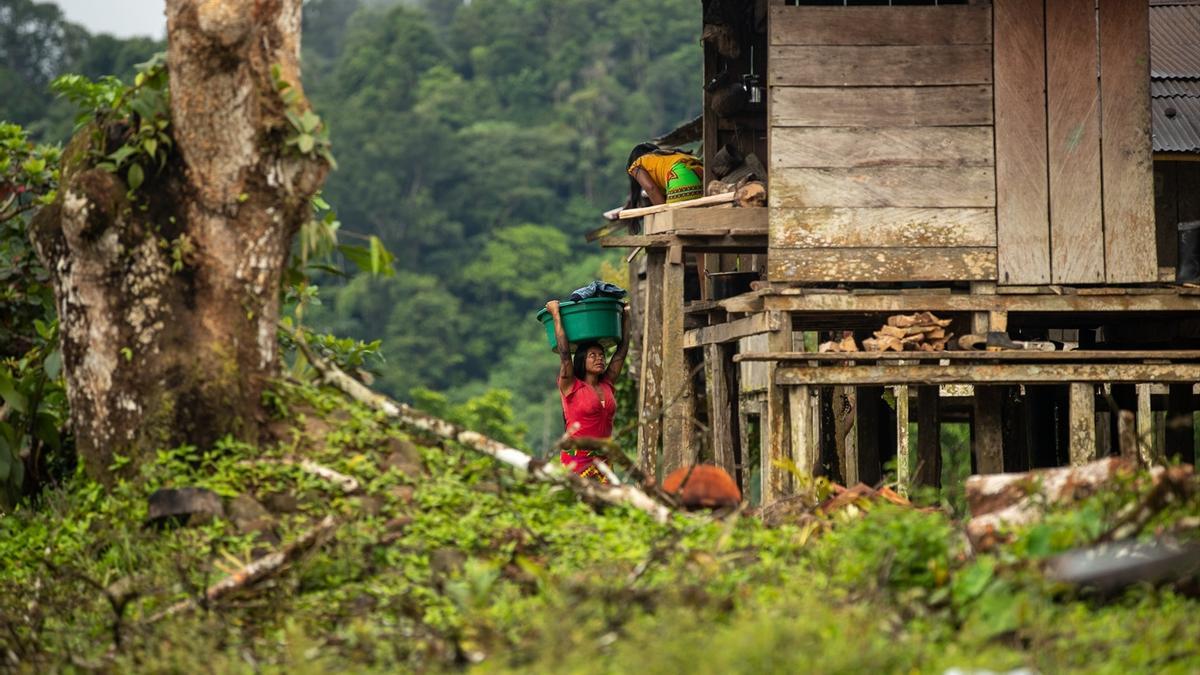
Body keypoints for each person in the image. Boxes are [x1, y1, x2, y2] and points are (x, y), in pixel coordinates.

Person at [544, 300, 631, 482]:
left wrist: (626, 316)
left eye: (601, 355)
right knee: (579, 503)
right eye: (593, 355)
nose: (600, 359)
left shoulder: (607, 383)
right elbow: (565, 355)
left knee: (607, 505)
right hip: (577, 458)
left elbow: (621, 352)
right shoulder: (571, 385)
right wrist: (556, 315)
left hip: (604, 459)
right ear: (582, 360)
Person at [626, 143, 704, 207]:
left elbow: (651, 188)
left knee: (674, 220)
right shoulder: (666, 157)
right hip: (699, 175)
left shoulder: (636, 165)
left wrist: (663, 211)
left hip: (679, 177)